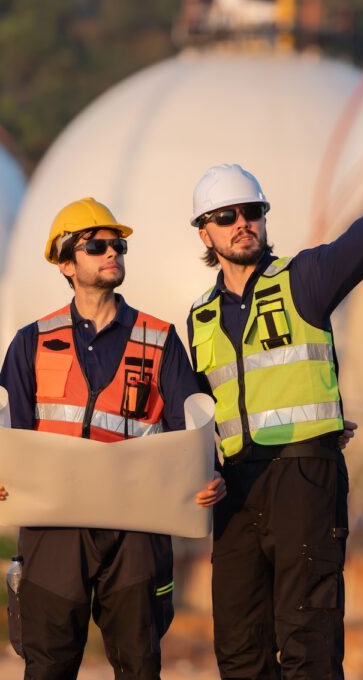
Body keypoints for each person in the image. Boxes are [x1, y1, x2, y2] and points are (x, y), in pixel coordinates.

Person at [187, 160, 363, 679]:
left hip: (303, 476)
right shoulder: (199, 316)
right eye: (227, 216)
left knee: (307, 637)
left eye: (252, 212)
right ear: (205, 231)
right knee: (239, 646)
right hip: (236, 489)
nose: (242, 223)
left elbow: (357, 246)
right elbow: (195, 413)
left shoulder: (304, 279)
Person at [0, 196, 225, 680]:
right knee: (48, 667)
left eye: (117, 244)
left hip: (136, 530)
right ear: (66, 264)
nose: (112, 253)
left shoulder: (159, 339)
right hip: (54, 527)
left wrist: (212, 476)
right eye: (96, 245)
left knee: (139, 665)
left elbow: (193, 428)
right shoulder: (30, 342)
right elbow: (8, 435)